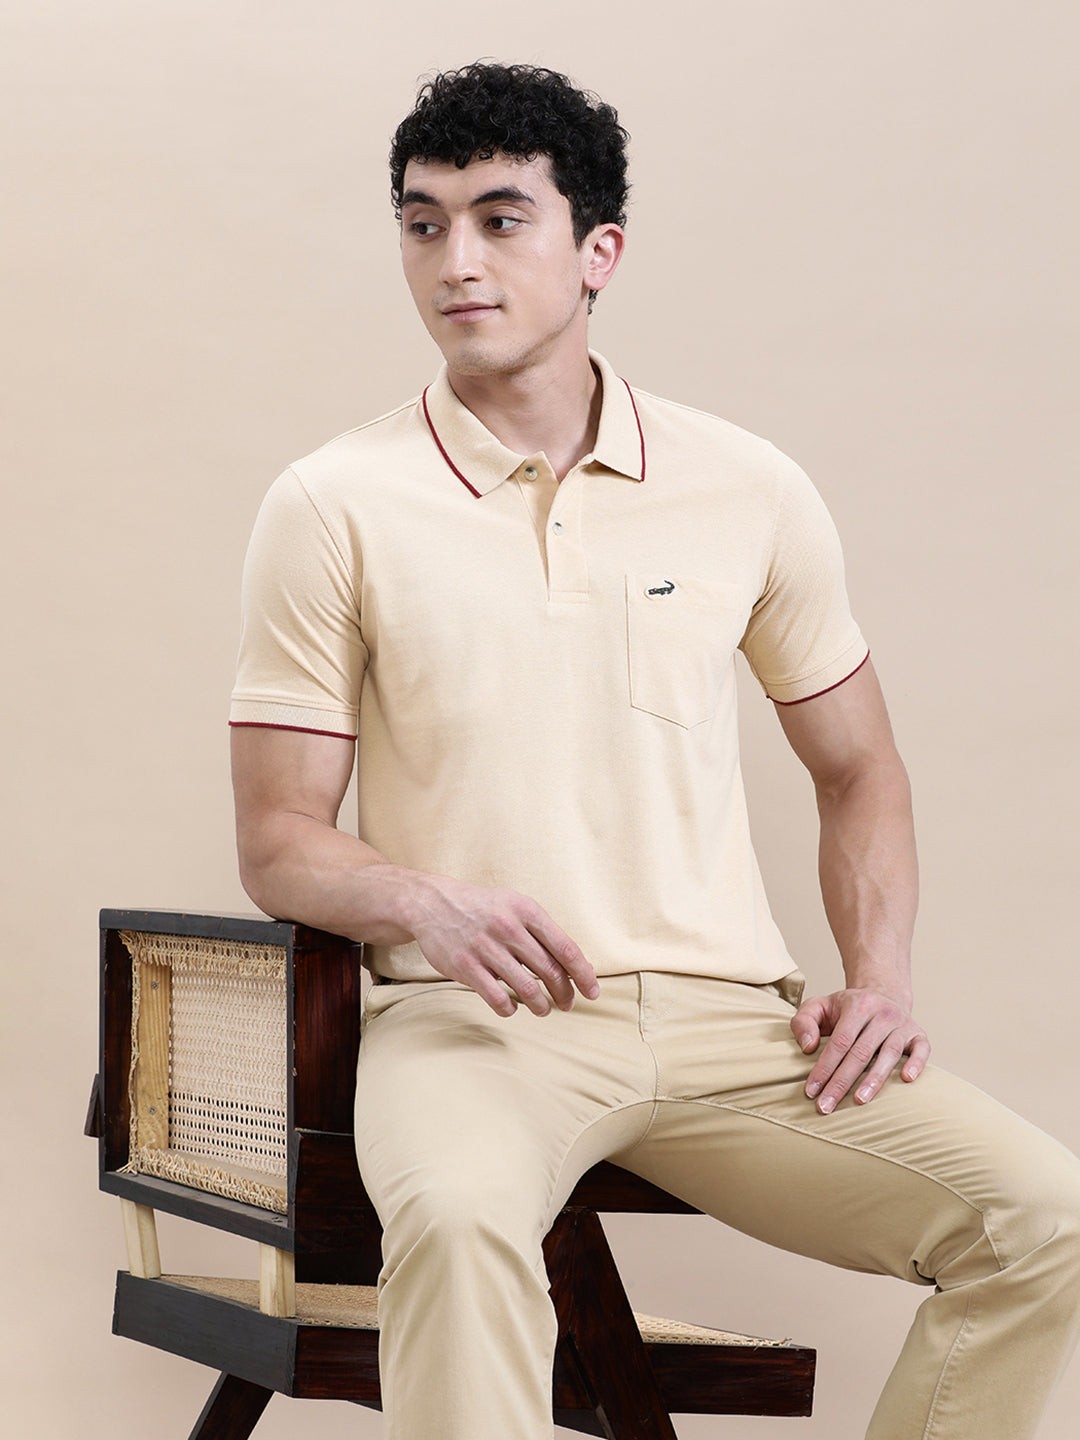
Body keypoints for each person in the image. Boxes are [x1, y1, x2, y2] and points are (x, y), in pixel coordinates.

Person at [229, 61, 1080, 1440]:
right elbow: (277, 839)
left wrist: (880, 979)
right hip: (477, 1024)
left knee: (1044, 1219)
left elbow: (860, 767)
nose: (456, 261)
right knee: (454, 1220)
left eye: (501, 220)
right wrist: (428, 904)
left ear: (599, 251)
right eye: (423, 224)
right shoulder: (332, 503)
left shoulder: (749, 486)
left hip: (733, 1027)